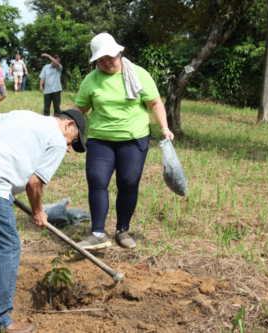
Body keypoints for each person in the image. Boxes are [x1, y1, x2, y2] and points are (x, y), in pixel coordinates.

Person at [0, 109, 86, 333]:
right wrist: (38, 211)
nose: (69, 147)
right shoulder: (57, 140)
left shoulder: (25, 114)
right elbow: (34, 183)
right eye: (74, 141)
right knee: (7, 247)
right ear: (69, 124)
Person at [72, 33, 175, 250]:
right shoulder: (91, 81)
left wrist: (164, 127)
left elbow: (155, 103)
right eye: (100, 60)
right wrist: (66, 130)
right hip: (101, 139)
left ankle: (122, 229)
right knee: (97, 180)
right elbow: (79, 109)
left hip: (133, 139)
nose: (107, 62)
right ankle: (97, 233)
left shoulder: (138, 74)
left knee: (128, 182)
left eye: (110, 57)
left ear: (119, 52)